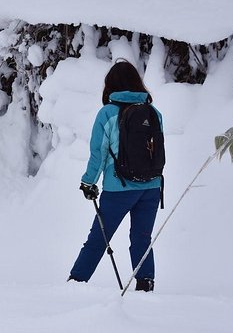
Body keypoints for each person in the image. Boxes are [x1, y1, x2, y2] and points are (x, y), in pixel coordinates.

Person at [68, 60, 163, 292]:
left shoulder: (107, 113)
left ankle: (76, 283)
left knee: (99, 238)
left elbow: (98, 154)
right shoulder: (153, 112)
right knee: (142, 238)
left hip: (118, 189)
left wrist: (88, 182)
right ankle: (146, 284)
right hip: (151, 188)